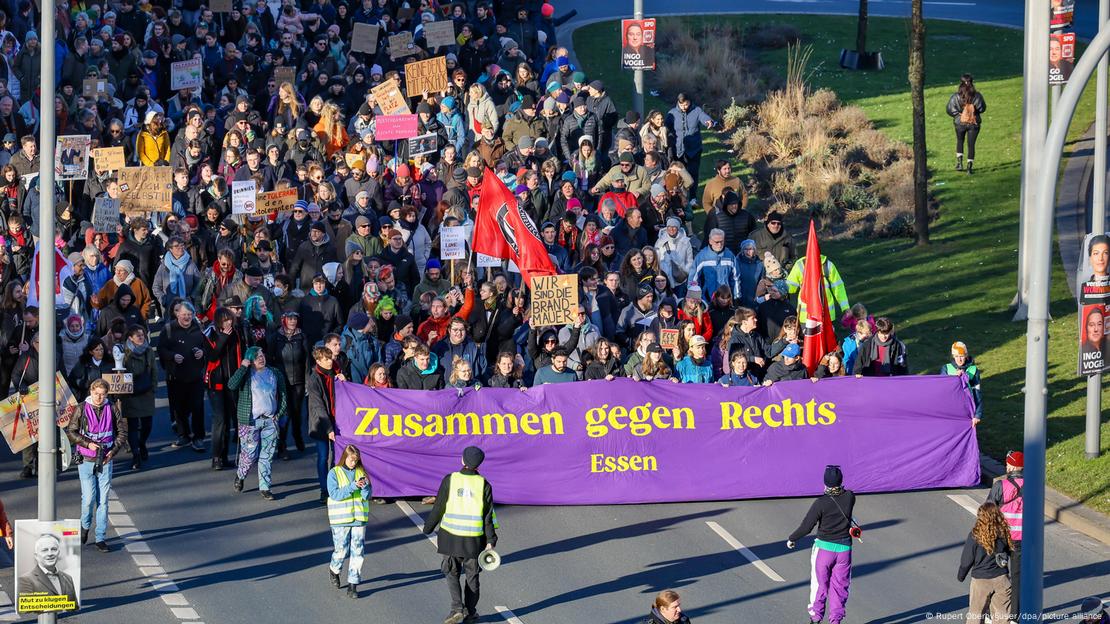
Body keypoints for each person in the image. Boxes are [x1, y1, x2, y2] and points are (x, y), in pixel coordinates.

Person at [422, 446, 499, 624]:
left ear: (462, 461)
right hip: (474, 541)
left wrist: (427, 528)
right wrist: (491, 540)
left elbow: (439, 507)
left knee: (451, 572)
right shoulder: (484, 485)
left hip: (450, 537)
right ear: (479, 464)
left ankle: (456, 608)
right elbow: (487, 516)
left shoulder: (451, 480)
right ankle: (471, 613)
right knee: (472, 576)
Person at [787, 465, 859, 624]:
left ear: (825, 483)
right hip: (844, 550)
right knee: (839, 588)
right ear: (841, 481)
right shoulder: (850, 497)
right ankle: (835, 620)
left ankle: (816, 618)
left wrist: (792, 538)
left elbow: (806, 527)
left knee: (820, 585)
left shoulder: (820, 503)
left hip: (824, 550)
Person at [66, 378, 126, 553]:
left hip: (105, 459)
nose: (99, 397)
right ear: (91, 392)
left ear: (106, 395)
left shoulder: (112, 408)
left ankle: (100, 537)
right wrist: (86, 444)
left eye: (102, 394)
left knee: (103, 500)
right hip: (86, 459)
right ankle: (85, 526)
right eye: (96, 393)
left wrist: (112, 452)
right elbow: (71, 431)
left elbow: (122, 433)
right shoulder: (81, 408)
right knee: (89, 498)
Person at [228, 346, 288, 501]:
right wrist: (243, 367)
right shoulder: (246, 374)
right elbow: (231, 385)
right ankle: (241, 475)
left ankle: (265, 487)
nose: (261, 358)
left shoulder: (275, 373)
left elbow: (282, 395)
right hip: (250, 422)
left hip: (270, 420)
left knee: (267, 456)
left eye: (262, 355)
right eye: (257, 357)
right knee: (249, 454)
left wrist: (278, 414)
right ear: (250, 360)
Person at [327, 444, 372, 599]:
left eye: (356, 460)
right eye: (352, 460)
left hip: (359, 519)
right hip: (341, 520)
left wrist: (365, 488)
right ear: (344, 458)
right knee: (341, 550)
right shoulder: (334, 473)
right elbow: (335, 494)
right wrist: (353, 486)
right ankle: (334, 569)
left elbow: (367, 496)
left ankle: (353, 584)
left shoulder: (361, 473)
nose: (354, 463)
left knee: (358, 551)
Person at [957, 502, 1014, 624]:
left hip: (981, 581)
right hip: (1002, 579)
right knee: (1002, 618)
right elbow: (1010, 552)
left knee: (976, 616)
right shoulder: (1004, 533)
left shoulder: (975, 536)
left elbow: (967, 560)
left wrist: (961, 575)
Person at [986, 450, 1023, 616]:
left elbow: (988, 511)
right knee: (1017, 579)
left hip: (1001, 539)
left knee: (996, 575)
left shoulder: (1000, 486)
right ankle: (1015, 615)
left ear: (1011, 466)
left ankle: (994, 612)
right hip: (1021, 540)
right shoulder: (1033, 486)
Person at [308, 345, 345, 504]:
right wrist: (328, 428)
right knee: (323, 456)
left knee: (336, 456)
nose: (330, 361)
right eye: (326, 359)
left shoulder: (336, 373)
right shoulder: (314, 378)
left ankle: (334, 486)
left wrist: (345, 380)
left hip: (337, 420)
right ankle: (324, 489)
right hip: (321, 423)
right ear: (318, 360)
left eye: (331, 358)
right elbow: (318, 406)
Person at [121, 325, 156, 470]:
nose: (141, 338)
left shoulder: (148, 351)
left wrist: (154, 388)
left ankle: (142, 443)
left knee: (147, 425)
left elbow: (154, 369)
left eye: (142, 335)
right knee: (133, 426)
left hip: (146, 391)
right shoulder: (124, 352)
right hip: (130, 393)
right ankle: (136, 455)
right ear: (130, 338)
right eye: (138, 336)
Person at [18, 534, 79, 606]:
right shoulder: (26, 580)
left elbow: (73, 606)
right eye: (44, 550)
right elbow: (26, 608)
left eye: (53, 549)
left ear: (58, 553)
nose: (50, 554)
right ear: (36, 556)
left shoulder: (68, 578)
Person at [946, 74, 986, 174]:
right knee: (971, 145)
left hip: (960, 123)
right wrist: (973, 112)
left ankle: (959, 163)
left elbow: (949, 109)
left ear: (961, 83)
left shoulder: (956, 96)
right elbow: (982, 108)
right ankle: (969, 168)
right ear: (972, 83)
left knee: (960, 141)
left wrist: (958, 115)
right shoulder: (977, 95)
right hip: (974, 122)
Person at [942, 341, 982, 423]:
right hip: (951, 409)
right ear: (953, 356)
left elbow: (977, 393)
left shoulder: (973, 370)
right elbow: (942, 389)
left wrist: (977, 414)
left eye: (961, 356)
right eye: (956, 356)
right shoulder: (946, 368)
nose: (959, 359)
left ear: (966, 356)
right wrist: (954, 378)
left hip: (967, 409)